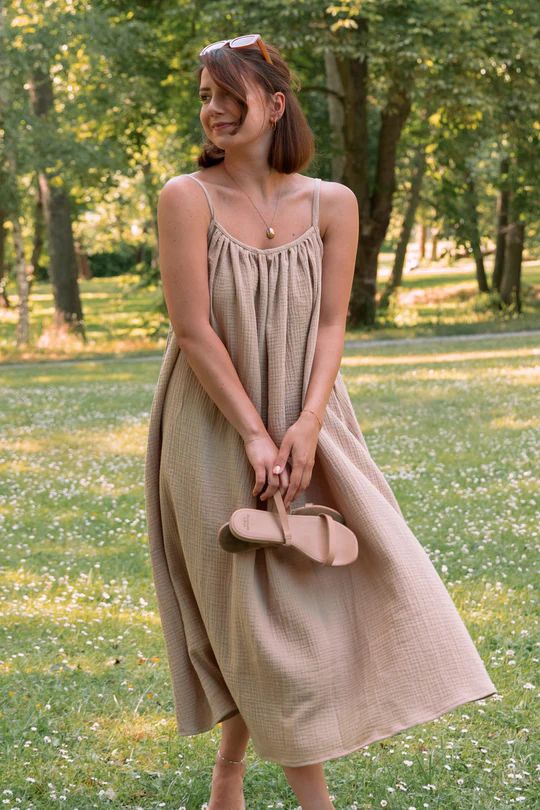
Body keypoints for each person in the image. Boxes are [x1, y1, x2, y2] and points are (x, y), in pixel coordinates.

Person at [144, 35, 497, 810]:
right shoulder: (184, 198)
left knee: (320, 593)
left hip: (312, 419)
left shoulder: (332, 203)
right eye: (205, 96)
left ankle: (226, 783)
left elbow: (334, 322)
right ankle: (312, 801)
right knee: (248, 610)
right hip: (212, 422)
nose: (213, 111)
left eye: (229, 97)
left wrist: (303, 425)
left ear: (274, 105)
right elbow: (194, 330)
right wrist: (253, 433)